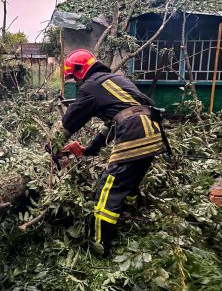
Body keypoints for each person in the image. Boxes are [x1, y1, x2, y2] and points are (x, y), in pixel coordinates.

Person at [51, 49, 166, 255]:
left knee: (107, 188)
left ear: (79, 71)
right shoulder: (113, 80)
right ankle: (129, 213)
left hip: (135, 132)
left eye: (74, 77)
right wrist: (89, 150)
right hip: (153, 131)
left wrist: (51, 146)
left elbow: (69, 122)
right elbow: (114, 123)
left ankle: (99, 245)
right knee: (130, 180)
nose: (75, 82)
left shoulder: (91, 86)